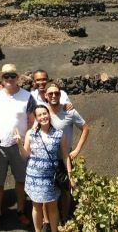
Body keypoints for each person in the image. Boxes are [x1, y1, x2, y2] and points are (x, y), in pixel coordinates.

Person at [0, 63, 37, 229]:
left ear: (18, 78)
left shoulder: (27, 96)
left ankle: (21, 211)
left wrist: (26, 142)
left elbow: (31, 121)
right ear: (1, 78)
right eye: (6, 76)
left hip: (18, 146)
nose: (9, 79)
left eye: (12, 76)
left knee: (21, 181)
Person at [14, 105, 71, 232]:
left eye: (44, 113)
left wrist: (70, 174)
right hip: (34, 177)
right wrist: (19, 143)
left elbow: (65, 156)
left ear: (48, 114)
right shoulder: (31, 133)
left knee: (52, 206)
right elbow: (25, 155)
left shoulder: (59, 134)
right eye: (39, 115)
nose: (43, 116)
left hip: (51, 177)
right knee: (36, 207)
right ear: (36, 118)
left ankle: (54, 230)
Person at [44, 82, 89, 222]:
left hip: (65, 157)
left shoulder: (69, 111)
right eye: (50, 93)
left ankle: (64, 216)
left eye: (56, 93)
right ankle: (48, 221)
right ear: (45, 96)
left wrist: (76, 150)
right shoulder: (42, 112)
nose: (53, 96)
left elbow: (86, 128)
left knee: (66, 190)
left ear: (60, 94)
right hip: (47, 158)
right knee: (47, 191)